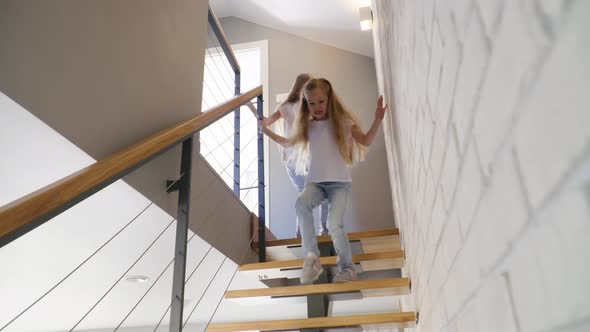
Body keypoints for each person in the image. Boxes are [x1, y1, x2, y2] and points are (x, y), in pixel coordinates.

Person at [260, 78, 388, 284]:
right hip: (316, 184)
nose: (316, 107)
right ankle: (311, 260)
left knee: (334, 225)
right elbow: (288, 142)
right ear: (306, 104)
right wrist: (266, 131)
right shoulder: (308, 127)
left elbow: (365, 140)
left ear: (329, 100)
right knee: (301, 205)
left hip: (339, 184)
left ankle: (347, 269)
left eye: (320, 101)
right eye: (311, 103)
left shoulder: (344, 123)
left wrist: (378, 119)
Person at [259, 73, 329, 237]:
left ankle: (310, 232)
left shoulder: (303, 107)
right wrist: (253, 110)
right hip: (297, 159)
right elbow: (266, 122)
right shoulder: (292, 107)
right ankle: (314, 232)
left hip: (305, 158)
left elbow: (266, 123)